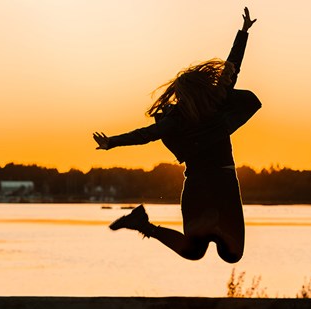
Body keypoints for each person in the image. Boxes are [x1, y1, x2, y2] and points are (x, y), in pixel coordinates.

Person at [93, 7, 260, 263]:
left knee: (199, 252)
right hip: (221, 184)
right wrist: (244, 32)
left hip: (200, 186)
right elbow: (231, 69)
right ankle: (156, 224)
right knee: (231, 254)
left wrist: (112, 143)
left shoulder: (184, 115)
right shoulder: (211, 103)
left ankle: (144, 225)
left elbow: (147, 134)